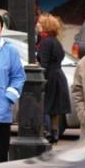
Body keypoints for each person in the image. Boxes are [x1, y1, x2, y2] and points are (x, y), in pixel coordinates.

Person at [0, 11, 25, 163]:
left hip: (0, 114)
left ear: (1, 29)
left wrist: (8, 98)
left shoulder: (10, 51)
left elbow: (19, 77)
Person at [35, 13, 71, 143]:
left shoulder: (45, 42)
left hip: (49, 77)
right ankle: (54, 134)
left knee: (45, 106)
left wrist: (41, 81)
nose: (37, 25)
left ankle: (47, 133)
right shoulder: (55, 41)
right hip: (58, 76)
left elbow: (44, 63)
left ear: (45, 26)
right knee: (54, 109)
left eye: (40, 23)